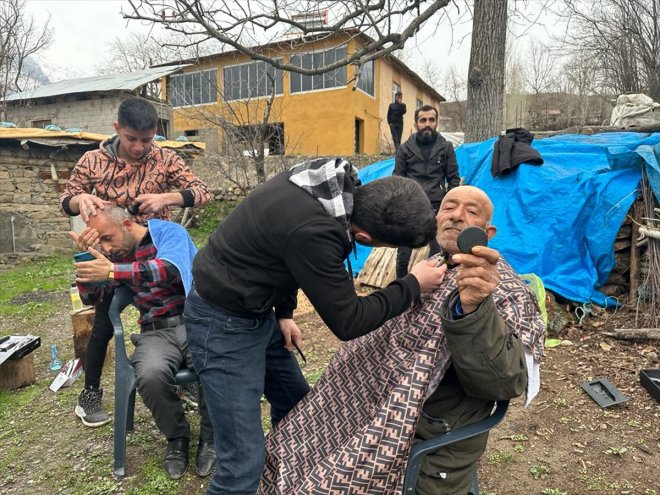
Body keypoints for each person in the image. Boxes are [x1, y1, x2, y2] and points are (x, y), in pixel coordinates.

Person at [184, 157, 448, 495]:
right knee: (242, 464)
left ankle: (283, 483)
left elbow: (282, 250)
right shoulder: (316, 231)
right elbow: (349, 321)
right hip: (222, 324)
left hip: (255, 307)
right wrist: (412, 285)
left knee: (300, 410)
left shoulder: (326, 185)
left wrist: (284, 312)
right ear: (365, 237)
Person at [258, 185, 545, 495]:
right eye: (448, 208)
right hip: (371, 395)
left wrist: (474, 311)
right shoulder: (432, 267)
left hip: (425, 420)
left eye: (471, 212)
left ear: (487, 231)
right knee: (291, 444)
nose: (457, 216)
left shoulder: (502, 289)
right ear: (435, 220)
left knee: (323, 483)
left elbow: (505, 382)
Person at [60, 96, 212, 428]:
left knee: (174, 311)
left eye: (148, 139)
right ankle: (90, 394)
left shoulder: (165, 158)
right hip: (108, 248)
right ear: (117, 129)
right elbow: (65, 199)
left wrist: (168, 197)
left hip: (153, 246)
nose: (141, 147)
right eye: (132, 139)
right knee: (102, 321)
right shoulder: (93, 161)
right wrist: (78, 200)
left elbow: (202, 192)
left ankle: (180, 374)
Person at [72, 206, 216, 479]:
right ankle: (177, 438)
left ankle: (211, 437)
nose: (105, 246)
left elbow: (169, 270)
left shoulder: (169, 233)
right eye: (100, 241)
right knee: (149, 375)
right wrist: (84, 263)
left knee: (212, 361)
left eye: (107, 238)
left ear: (126, 224)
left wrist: (113, 270)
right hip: (154, 332)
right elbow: (92, 299)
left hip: (194, 321)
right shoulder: (115, 256)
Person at [393, 104, 461, 279]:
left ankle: (436, 287)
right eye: (423, 120)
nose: (427, 124)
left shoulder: (446, 148)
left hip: (436, 206)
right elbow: (397, 179)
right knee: (403, 253)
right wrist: (400, 206)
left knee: (438, 251)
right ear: (416, 124)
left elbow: (453, 179)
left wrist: (449, 206)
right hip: (411, 206)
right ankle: (402, 288)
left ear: (437, 122)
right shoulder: (405, 149)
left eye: (431, 120)